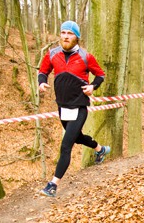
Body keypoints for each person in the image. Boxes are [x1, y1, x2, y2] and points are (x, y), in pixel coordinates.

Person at [37, 20, 110, 197]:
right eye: (63, 33)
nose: (66, 36)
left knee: (66, 145)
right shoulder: (52, 54)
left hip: (80, 106)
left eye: (70, 34)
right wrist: (42, 82)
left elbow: (100, 75)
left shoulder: (86, 57)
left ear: (76, 37)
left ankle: (53, 185)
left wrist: (93, 86)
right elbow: (43, 71)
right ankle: (100, 149)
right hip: (62, 107)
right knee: (77, 138)